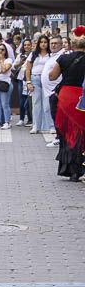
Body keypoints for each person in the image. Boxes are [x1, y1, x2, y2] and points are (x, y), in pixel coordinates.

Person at [48, 32, 85, 181]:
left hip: (66, 96)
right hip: (82, 96)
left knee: (68, 132)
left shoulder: (63, 58)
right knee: (81, 130)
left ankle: (70, 169)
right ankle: (80, 167)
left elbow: (52, 76)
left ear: (72, 45)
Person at [26, 35, 56, 135]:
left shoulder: (51, 55)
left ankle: (50, 126)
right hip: (35, 78)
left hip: (47, 80)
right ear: (38, 43)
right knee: (36, 103)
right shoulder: (33, 54)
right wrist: (28, 82)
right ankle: (36, 126)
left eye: (45, 42)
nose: (43, 44)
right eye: (41, 42)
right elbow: (28, 69)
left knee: (47, 104)